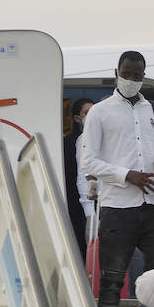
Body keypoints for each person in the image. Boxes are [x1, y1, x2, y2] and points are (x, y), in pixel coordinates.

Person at [80, 51, 154, 307]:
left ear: (144, 76)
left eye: (137, 76)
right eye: (127, 74)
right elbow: (88, 162)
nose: (131, 80)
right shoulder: (100, 112)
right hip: (118, 206)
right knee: (112, 282)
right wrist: (127, 175)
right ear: (117, 73)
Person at [63, 97, 94, 258]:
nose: (91, 115)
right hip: (75, 196)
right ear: (77, 118)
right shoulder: (69, 142)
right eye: (86, 112)